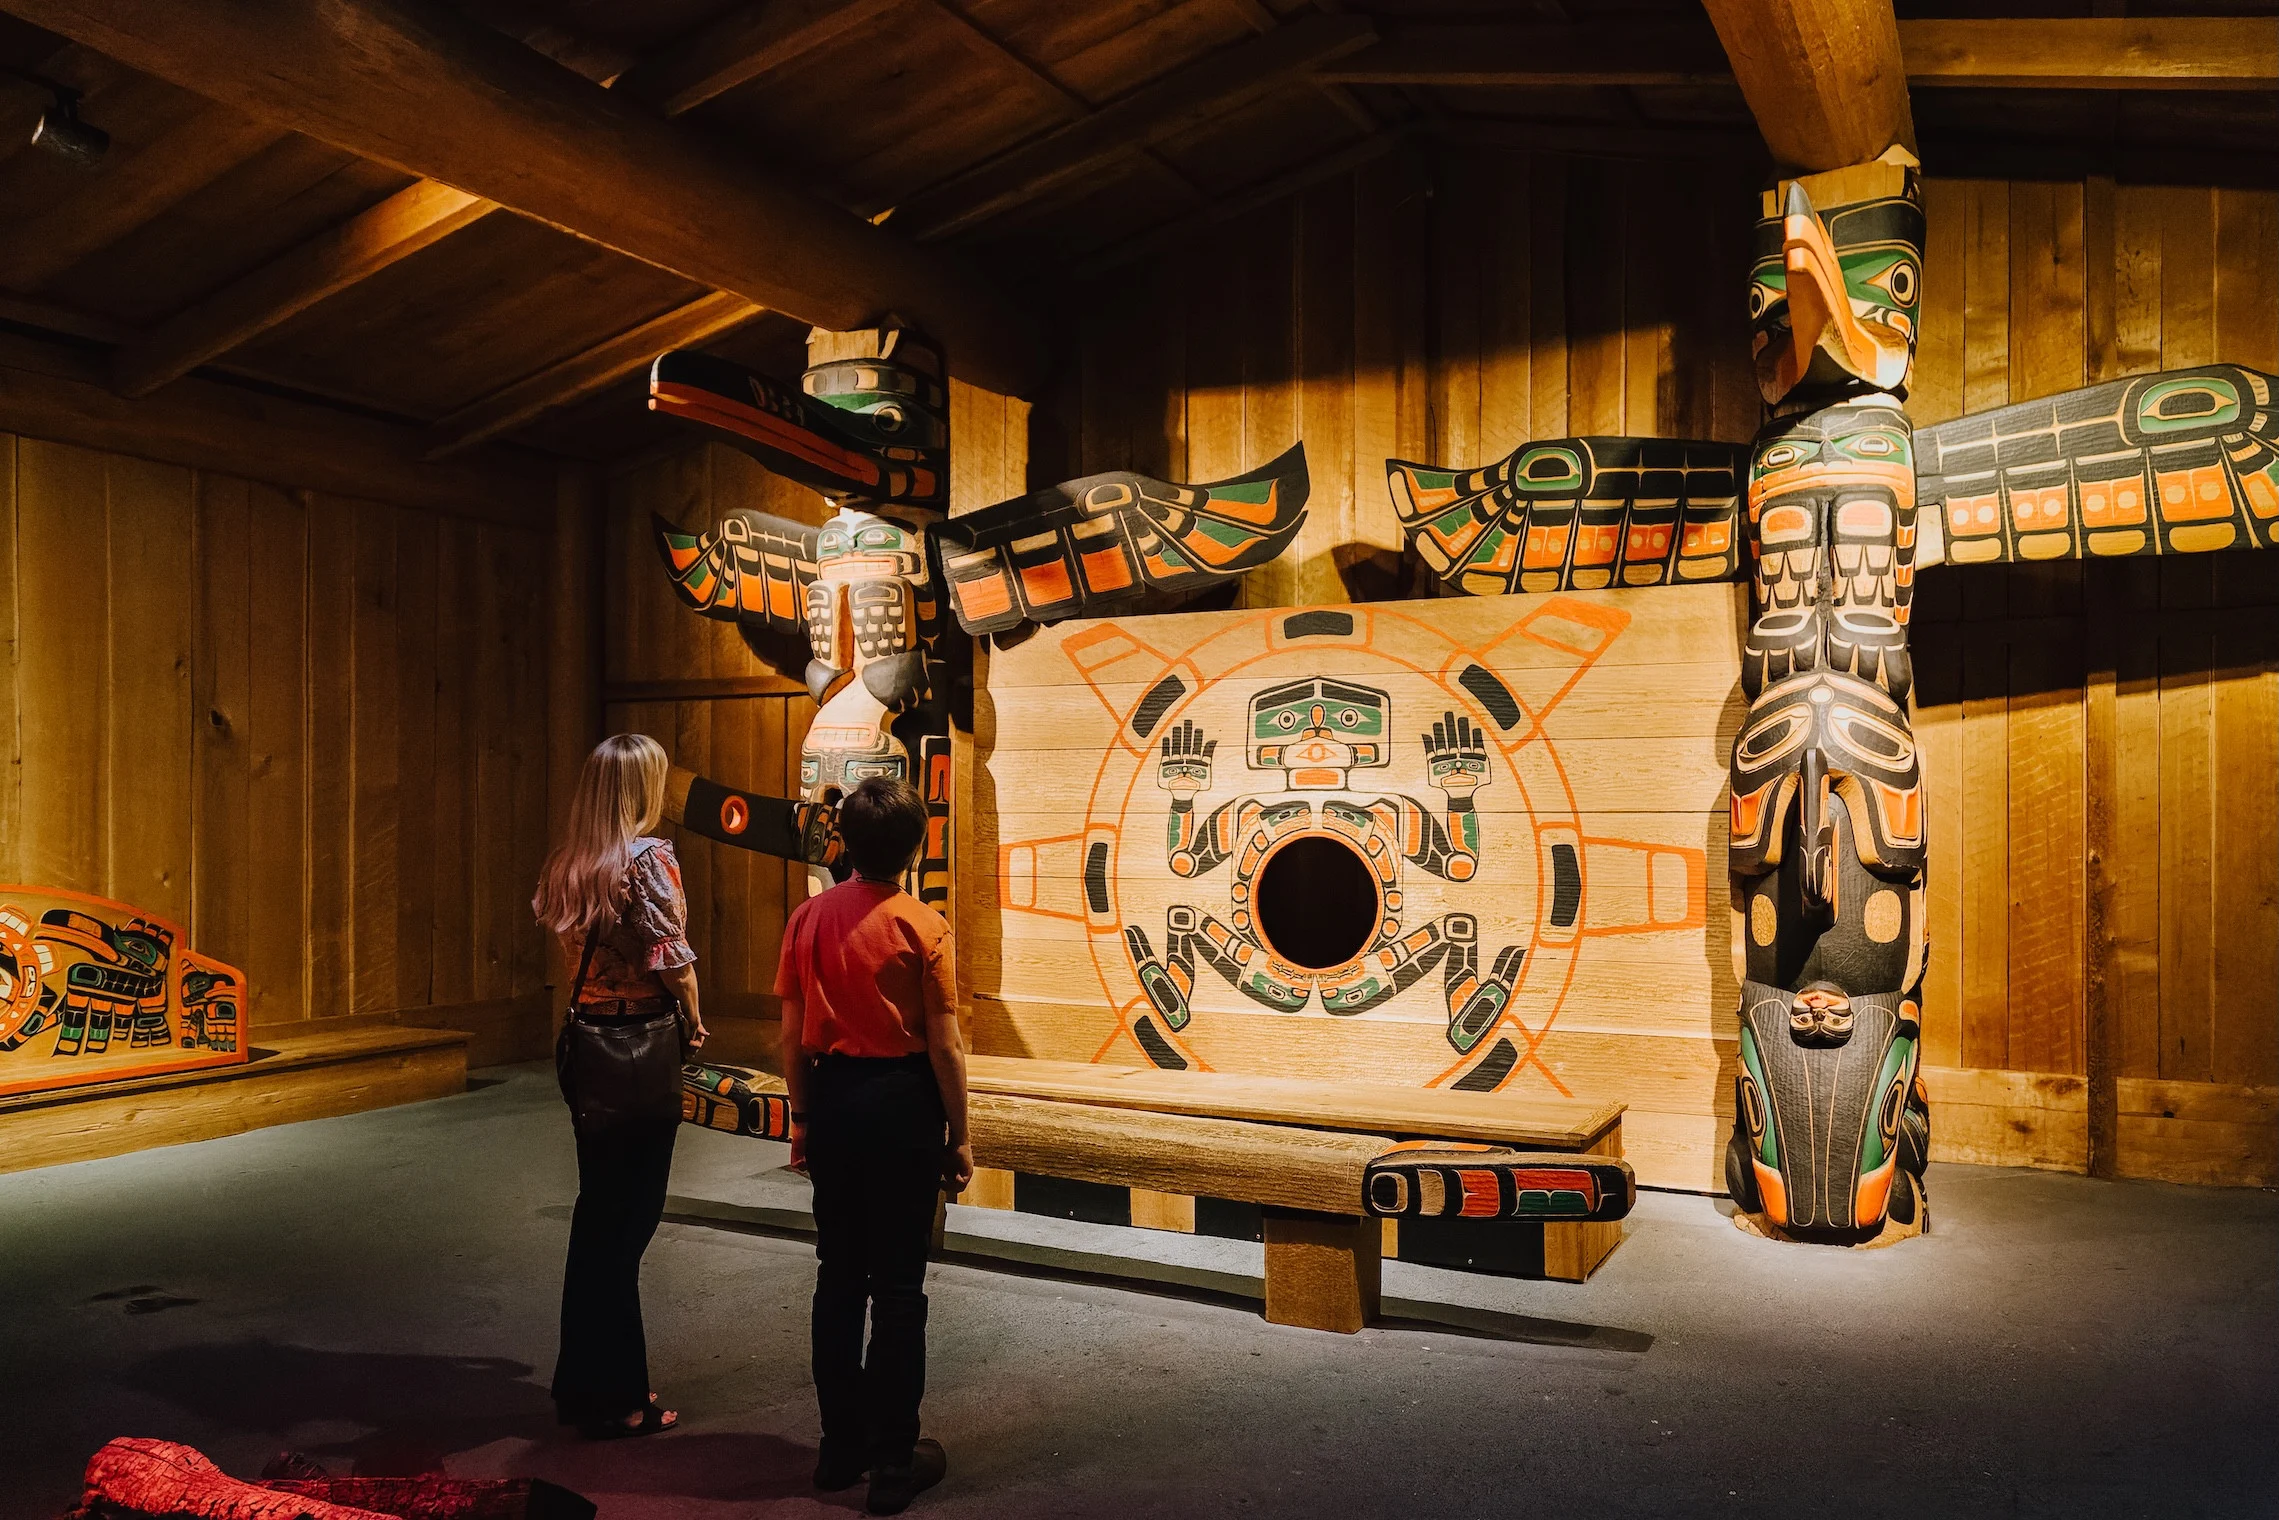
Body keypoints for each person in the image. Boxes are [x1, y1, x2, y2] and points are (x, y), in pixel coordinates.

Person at [778, 776, 973, 1515]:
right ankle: (893, 1459)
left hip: (832, 1099)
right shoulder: (923, 926)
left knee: (837, 1275)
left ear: (846, 844)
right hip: (901, 1104)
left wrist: (801, 1119)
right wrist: (959, 1134)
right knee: (897, 1287)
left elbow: (792, 1035)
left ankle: (839, 1447)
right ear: (916, 846)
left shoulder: (808, 919)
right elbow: (945, 1047)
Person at [532, 733, 709, 1439]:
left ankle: (580, 1384)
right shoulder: (650, 860)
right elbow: (673, 959)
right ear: (643, 790)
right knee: (628, 1227)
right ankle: (620, 1397)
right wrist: (695, 1019)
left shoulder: (568, 864)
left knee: (595, 1219)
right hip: (641, 1046)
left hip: (588, 1047)